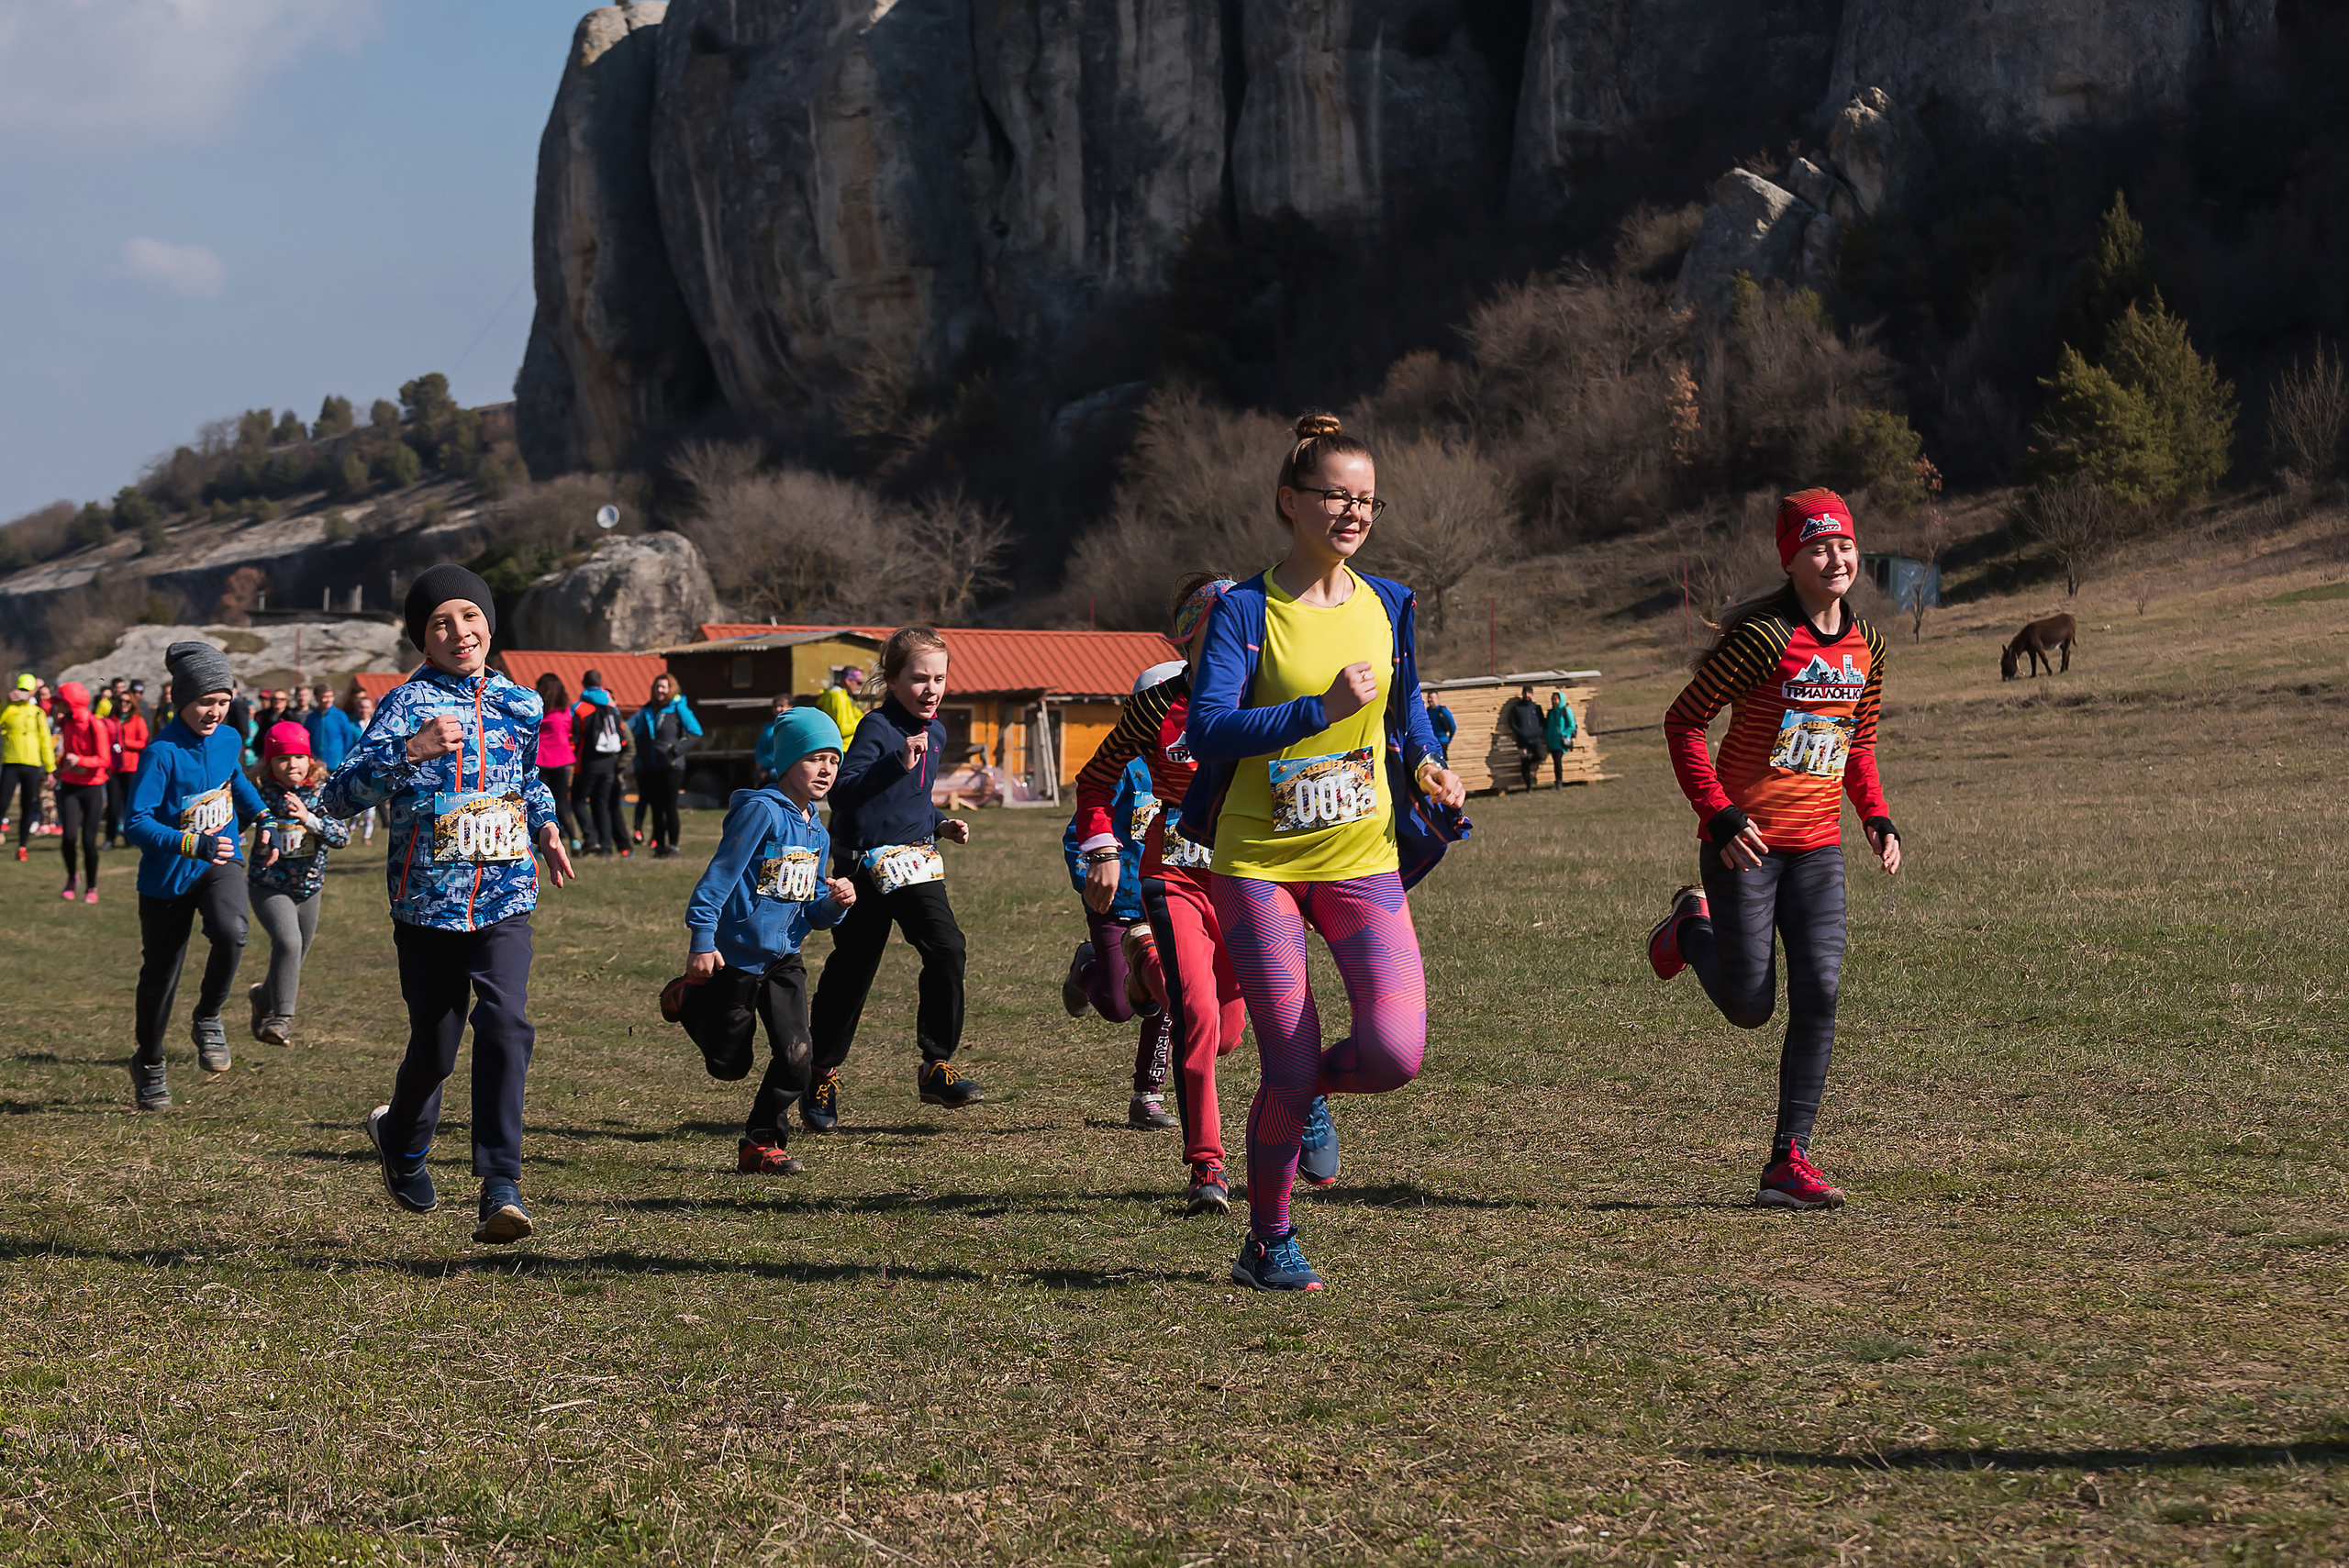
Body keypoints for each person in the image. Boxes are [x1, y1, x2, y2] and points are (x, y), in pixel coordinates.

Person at [1180, 413, 1468, 1292]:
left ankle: (1294, 1100)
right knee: (1291, 1058)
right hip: (1260, 862)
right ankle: (1268, 1239)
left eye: (1368, 500)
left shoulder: (1389, 602)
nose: (1355, 512)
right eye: (1337, 496)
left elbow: (1405, 708)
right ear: (1289, 501)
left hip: (1361, 855)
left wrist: (1426, 763)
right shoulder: (1243, 611)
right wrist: (1316, 708)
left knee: (1394, 1052)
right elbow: (1208, 728)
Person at [1650, 487, 1899, 1212]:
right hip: (1745, 848)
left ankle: (1788, 1159)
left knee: (1820, 989)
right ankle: (1688, 928)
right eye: (1819, 546)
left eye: (1844, 544)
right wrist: (1720, 815)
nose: (1836, 557)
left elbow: (1860, 742)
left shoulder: (1869, 647)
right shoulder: (1762, 639)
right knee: (1750, 1003)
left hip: (1818, 849)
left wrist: (1878, 817)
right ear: (1791, 559)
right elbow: (1683, 722)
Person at [323, 563, 574, 1246]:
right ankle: (400, 1137)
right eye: (441, 622)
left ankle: (501, 1184)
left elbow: (531, 780)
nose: (459, 631)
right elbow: (339, 794)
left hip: (504, 894)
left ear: (488, 624)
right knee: (435, 1051)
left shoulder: (522, 704)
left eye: (469, 616)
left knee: (506, 1023)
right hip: (427, 906)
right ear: (422, 638)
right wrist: (411, 750)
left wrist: (546, 824)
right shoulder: (405, 705)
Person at [1074, 578, 1261, 1215]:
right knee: (1198, 1020)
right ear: (1191, 633)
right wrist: (1100, 848)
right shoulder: (1157, 705)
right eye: (1223, 621)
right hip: (1174, 873)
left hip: (1247, 876)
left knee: (1228, 1033)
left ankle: (1139, 972)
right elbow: (1095, 779)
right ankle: (1207, 1166)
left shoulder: (1273, 697)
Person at [665, 707, 857, 1174]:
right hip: (733, 958)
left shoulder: (819, 831)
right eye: (815, 758)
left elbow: (810, 912)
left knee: (798, 1056)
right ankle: (691, 998)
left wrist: (837, 904)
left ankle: (761, 1141)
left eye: (834, 759)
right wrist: (702, 938)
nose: (827, 769)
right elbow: (720, 878)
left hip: (784, 959)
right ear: (788, 761)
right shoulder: (760, 811)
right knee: (728, 1065)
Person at [807, 626, 979, 1125]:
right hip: (861, 869)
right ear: (893, 679)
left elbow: (912, 804)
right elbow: (845, 794)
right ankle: (820, 1075)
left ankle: (936, 1065)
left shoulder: (938, 732)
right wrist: (896, 763)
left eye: (940, 678)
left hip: (914, 864)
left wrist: (939, 824)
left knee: (948, 947)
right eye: (920, 678)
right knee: (853, 970)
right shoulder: (877, 730)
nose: (931, 689)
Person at [120, 643, 268, 1107]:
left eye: (223, 701)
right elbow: (136, 821)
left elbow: (234, 778)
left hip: (219, 858)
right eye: (206, 701)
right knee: (162, 973)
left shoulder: (227, 739)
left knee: (232, 932)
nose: (215, 711)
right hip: (168, 874)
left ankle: (208, 1015)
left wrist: (262, 816)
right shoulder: (160, 753)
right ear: (180, 699)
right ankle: (149, 1061)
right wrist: (189, 842)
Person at [1059, 740, 1178, 1134]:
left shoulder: (1194, 765)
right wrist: (1090, 881)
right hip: (1116, 904)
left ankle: (1147, 1095)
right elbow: (1080, 832)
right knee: (1117, 1007)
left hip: (1168, 903)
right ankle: (1088, 965)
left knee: (1166, 991)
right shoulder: (1122, 767)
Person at [245, 722, 350, 1046]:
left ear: (310, 760)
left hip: (309, 887)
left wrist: (309, 819)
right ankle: (281, 1019)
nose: (291, 765)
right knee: (288, 944)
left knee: (294, 955)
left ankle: (263, 997)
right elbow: (236, 819)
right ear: (270, 763)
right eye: (282, 759)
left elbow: (341, 837)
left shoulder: (324, 791)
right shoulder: (259, 792)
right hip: (268, 883)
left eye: (298, 757)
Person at [629, 673, 700, 859]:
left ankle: (673, 847)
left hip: (672, 766)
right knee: (656, 807)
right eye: (657, 687)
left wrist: (676, 750)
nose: (660, 690)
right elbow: (636, 734)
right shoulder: (647, 710)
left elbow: (695, 732)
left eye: (664, 687)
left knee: (669, 807)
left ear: (671, 689)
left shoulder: (678, 708)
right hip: (651, 766)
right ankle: (659, 846)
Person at [51, 682, 110, 902]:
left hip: (93, 787)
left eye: (61, 704)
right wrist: (59, 769)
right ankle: (71, 878)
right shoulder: (66, 724)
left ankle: (91, 887)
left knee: (88, 840)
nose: (57, 708)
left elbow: (105, 759)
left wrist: (81, 760)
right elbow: (66, 753)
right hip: (69, 786)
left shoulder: (95, 724)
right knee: (68, 837)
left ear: (70, 704)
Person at [571, 673, 629, 856]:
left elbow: (574, 736)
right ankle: (605, 848)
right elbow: (623, 737)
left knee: (578, 802)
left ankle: (591, 838)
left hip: (587, 763)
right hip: (609, 764)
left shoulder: (580, 708)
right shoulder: (611, 706)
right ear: (601, 684)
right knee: (601, 804)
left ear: (583, 684)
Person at [4, 673, 56, 861]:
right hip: (11, 761)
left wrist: (50, 768)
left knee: (27, 805)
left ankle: (22, 847)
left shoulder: (38, 713)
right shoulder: (7, 709)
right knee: (2, 802)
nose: (24, 693)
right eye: (22, 689)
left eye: (28, 690)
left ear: (34, 690)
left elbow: (45, 742)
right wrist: (7, 702)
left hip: (32, 764)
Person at [533, 673, 583, 852]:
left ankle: (541, 843)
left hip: (542, 760)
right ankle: (575, 840)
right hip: (563, 760)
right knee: (562, 803)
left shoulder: (538, 713)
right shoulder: (566, 713)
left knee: (541, 803)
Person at [106, 691, 150, 850]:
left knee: (130, 803)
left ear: (132, 704)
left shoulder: (138, 720)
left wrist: (124, 742)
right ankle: (109, 838)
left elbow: (143, 742)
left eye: (127, 702)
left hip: (131, 767)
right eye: (121, 701)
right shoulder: (111, 721)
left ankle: (130, 837)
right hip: (113, 768)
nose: (123, 704)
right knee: (113, 804)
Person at [306, 682, 361, 773]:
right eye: (325, 697)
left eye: (331, 696)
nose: (328, 700)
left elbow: (348, 739)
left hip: (336, 764)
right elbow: (307, 739)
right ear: (317, 698)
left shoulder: (340, 715)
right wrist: (313, 758)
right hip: (316, 765)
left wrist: (343, 759)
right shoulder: (311, 717)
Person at [1501, 684, 1544, 792]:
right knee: (1524, 762)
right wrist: (1519, 732)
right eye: (1525, 693)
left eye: (1529, 693)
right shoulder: (1517, 708)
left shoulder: (1536, 707)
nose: (1527, 695)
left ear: (1532, 694)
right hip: (1522, 741)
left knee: (1540, 756)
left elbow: (1542, 721)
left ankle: (1530, 762)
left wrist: (1539, 731)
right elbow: (1512, 723)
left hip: (1535, 739)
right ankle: (1528, 787)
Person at [352, 692, 379, 844]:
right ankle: (352, 827)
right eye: (361, 707)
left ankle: (367, 835)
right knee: (357, 799)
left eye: (367, 707)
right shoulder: (352, 726)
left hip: (373, 766)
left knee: (372, 803)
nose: (364, 710)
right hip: (357, 766)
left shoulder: (377, 724)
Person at [751, 692, 795, 785]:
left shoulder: (792, 726)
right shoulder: (768, 726)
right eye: (775, 706)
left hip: (782, 772)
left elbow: (783, 750)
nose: (778, 709)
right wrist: (760, 764)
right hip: (766, 773)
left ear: (790, 707)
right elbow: (760, 746)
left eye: (782, 706)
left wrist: (764, 762)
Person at [813, 666, 864, 744]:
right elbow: (843, 730)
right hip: (843, 747)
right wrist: (863, 721)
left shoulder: (844, 695)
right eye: (858, 683)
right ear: (848, 681)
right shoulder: (838, 696)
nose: (859, 687)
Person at [1543, 690, 1577, 787]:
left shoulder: (1565, 710)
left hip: (1561, 741)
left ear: (1561, 699)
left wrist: (1564, 734)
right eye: (1553, 699)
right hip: (1552, 741)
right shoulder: (1550, 712)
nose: (1554, 701)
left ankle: (1559, 781)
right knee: (1555, 761)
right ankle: (1557, 780)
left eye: (1556, 699)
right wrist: (1546, 734)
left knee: (1558, 760)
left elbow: (1572, 725)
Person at [1429, 701, 1456, 765]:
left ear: (1436, 699)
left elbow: (1453, 726)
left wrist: (1449, 739)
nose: (1430, 700)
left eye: (1431, 698)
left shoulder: (1442, 710)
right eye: (1428, 698)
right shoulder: (1428, 712)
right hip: (1432, 742)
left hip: (1442, 741)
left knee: (1442, 761)